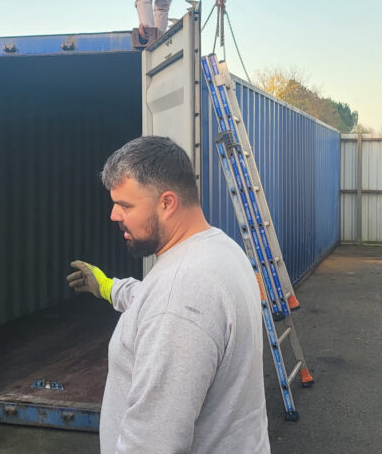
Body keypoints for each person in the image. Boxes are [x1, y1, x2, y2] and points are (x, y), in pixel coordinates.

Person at [67, 136, 269, 454]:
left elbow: (151, 443)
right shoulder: (221, 250)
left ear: (167, 203)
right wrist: (108, 287)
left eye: (125, 205)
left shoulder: (179, 296)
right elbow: (155, 301)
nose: (114, 215)